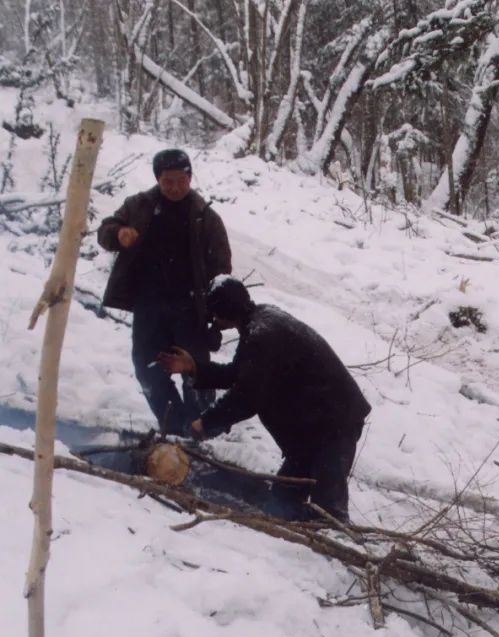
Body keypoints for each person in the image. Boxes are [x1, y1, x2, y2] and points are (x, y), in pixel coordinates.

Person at [157, 277, 372, 522]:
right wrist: (194, 367)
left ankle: (340, 552)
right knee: (283, 499)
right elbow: (237, 374)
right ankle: (296, 544)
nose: (213, 321)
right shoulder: (259, 323)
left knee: (328, 507)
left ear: (224, 312)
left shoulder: (262, 336)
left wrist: (206, 423)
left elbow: (246, 397)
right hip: (311, 427)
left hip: (334, 421)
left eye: (214, 314)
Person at [97, 148, 232, 435]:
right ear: (158, 179)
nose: (174, 188)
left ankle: (204, 428)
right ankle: (174, 424)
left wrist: (217, 314)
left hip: (190, 308)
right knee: (148, 368)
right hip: (149, 306)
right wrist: (119, 235)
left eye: (180, 181)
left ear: (190, 177)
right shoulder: (140, 206)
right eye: (167, 182)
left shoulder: (206, 217)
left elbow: (221, 269)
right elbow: (106, 230)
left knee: (194, 370)